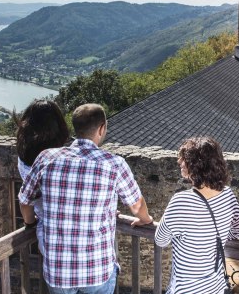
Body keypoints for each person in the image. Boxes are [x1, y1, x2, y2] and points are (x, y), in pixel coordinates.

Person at [19, 103, 153, 294]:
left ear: (75, 127)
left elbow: (25, 201)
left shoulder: (46, 158)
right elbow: (136, 205)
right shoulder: (114, 164)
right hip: (97, 271)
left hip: (59, 272)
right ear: (101, 128)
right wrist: (145, 220)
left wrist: (31, 224)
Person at [155, 137, 239, 294]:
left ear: (196, 165)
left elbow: (161, 240)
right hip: (215, 288)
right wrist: (217, 235)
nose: (179, 161)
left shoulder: (181, 201)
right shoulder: (227, 195)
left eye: (184, 158)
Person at [15, 99, 70, 255]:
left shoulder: (24, 157)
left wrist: (30, 223)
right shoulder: (66, 157)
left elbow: (26, 201)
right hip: (81, 229)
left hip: (49, 232)